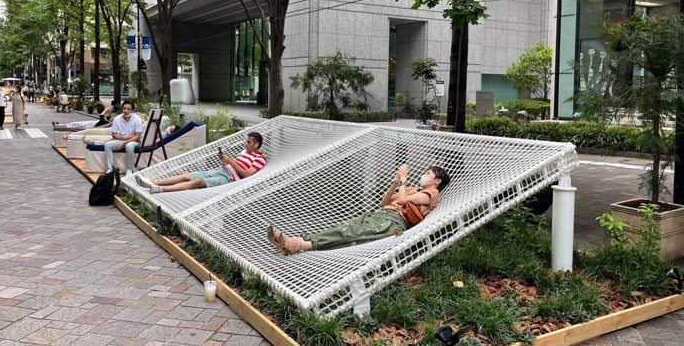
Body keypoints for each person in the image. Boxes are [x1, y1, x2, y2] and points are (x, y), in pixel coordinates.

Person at [267, 164, 450, 255]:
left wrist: (403, 178)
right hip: (380, 215)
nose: (424, 175)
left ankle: (297, 244)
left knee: (349, 233)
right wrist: (394, 183)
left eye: (428, 174)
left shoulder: (432, 193)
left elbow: (401, 200)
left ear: (437, 181)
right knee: (345, 229)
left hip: (392, 224)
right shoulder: (411, 189)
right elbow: (384, 202)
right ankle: (297, 241)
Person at [137, 132, 266, 193]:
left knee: (197, 182)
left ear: (256, 144)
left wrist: (231, 162)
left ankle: (160, 189)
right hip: (223, 171)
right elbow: (232, 166)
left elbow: (247, 174)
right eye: (246, 141)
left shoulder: (260, 158)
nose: (245, 144)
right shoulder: (243, 152)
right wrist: (224, 162)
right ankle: (152, 182)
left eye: (248, 142)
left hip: (231, 179)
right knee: (186, 175)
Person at [104, 100, 143, 176]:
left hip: (134, 141)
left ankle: (129, 169)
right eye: (124, 108)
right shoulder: (117, 119)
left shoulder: (137, 119)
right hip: (122, 139)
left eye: (128, 109)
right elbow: (114, 135)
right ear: (122, 109)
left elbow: (137, 137)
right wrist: (125, 138)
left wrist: (124, 142)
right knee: (108, 145)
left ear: (132, 110)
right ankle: (110, 169)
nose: (126, 111)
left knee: (129, 146)